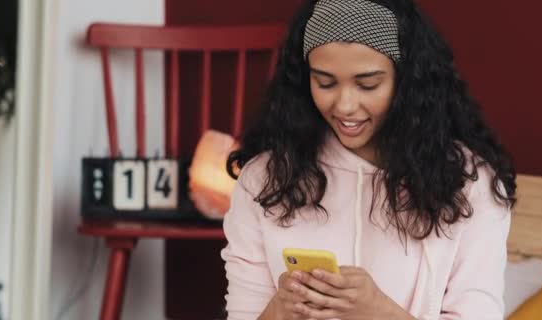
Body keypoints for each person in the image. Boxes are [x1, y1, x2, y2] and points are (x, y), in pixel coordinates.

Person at [221, 0, 516, 319]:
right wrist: (279, 310)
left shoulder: (470, 183)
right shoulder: (265, 179)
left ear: (406, 82)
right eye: (325, 82)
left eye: (368, 84)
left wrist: (379, 312)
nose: (345, 105)